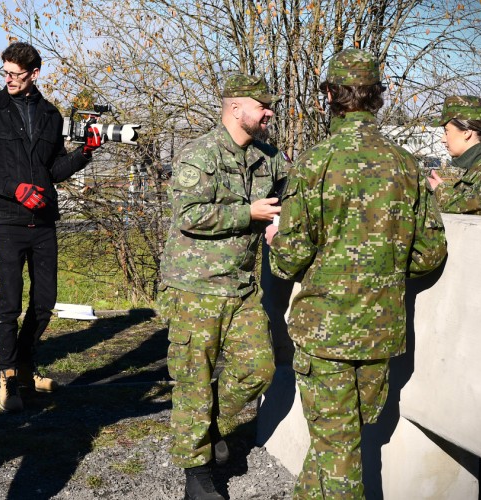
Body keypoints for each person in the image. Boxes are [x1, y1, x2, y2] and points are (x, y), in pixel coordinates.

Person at [265, 48, 448, 498]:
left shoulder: (315, 163)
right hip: (381, 332)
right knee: (341, 442)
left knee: (336, 446)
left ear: (329, 95)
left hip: (325, 333)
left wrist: (276, 243)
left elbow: (288, 260)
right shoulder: (407, 165)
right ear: (378, 98)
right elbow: (429, 255)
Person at [158, 74, 283, 500]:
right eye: (262, 106)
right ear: (235, 108)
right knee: (194, 381)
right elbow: (189, 215)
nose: (269, 113)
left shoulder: (267, 158)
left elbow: (296, 190)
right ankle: (197, 475)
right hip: (195, 289)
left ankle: (210, 429)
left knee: (258, 368)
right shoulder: (200, 152)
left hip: (243, 287)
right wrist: (248, 213)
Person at [0, 41, 102, 412]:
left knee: (45, 302)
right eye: (5, 72)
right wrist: (16, 189)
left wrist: (85, 154)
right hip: (7, 219)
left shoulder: (50, 115)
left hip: (43, 220)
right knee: (10, 302)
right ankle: (8, 375)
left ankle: (25, 367)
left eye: (15, 74)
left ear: (34, 74)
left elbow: (53, 169)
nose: (8, 79)